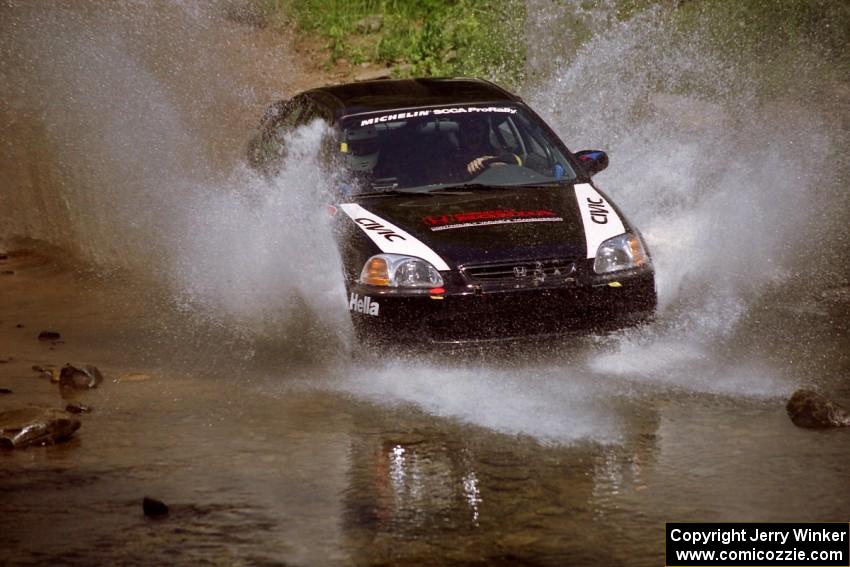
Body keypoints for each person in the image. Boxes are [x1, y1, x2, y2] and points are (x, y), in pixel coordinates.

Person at [452, 115, 521, 178]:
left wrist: (491, 160)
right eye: (468, 132)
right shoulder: (451, 158)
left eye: (478, 131)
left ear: (485, 134)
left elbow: (516, 160)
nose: (473, 137)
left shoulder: (493, 151)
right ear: (460, 134)